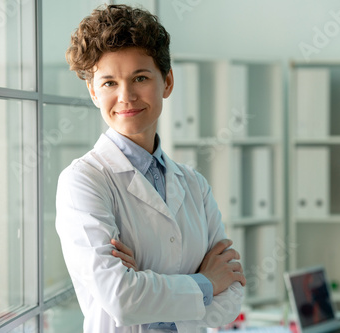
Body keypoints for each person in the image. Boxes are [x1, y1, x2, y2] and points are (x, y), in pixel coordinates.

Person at [55, 4, 246, 333]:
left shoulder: (194, 184)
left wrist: (146, 286)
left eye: (140, 78)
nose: (126, 96)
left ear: (167, 82)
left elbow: (230, 297)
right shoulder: (83, 181)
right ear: (93, 91)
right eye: (109, 83)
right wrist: (204, 284)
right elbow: (121, 299)